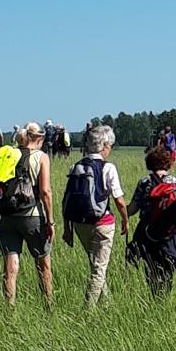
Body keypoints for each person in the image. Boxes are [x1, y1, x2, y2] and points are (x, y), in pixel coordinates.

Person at [62, 126, 129, 307]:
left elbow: (66, 200)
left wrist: (67, 229)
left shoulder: (76, 167)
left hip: (79, 224)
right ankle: (87, 311)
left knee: (96, 266)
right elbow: (119, 201)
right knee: (99, 269)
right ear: (105, 145)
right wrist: (125, 219)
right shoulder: (108, 167)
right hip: (102, 223)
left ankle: (106, 305)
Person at [0, 122, 55, 308]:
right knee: (43, 262)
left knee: (10, 265)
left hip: (5, 216)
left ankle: (9, 307)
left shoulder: (7, 155)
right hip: (31, 215)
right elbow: (45, 192)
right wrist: (50, 221)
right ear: (37, 138)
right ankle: (48, 305)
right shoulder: (41, 157)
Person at [127, 147, 176, 297]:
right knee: (168, 269)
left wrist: (122, 211)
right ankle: (165, 295)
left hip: (148, 232)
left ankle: (154, 295)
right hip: (172, 232)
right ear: (168, 163)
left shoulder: (144, 182)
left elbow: (132, 209)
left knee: (151, 267)